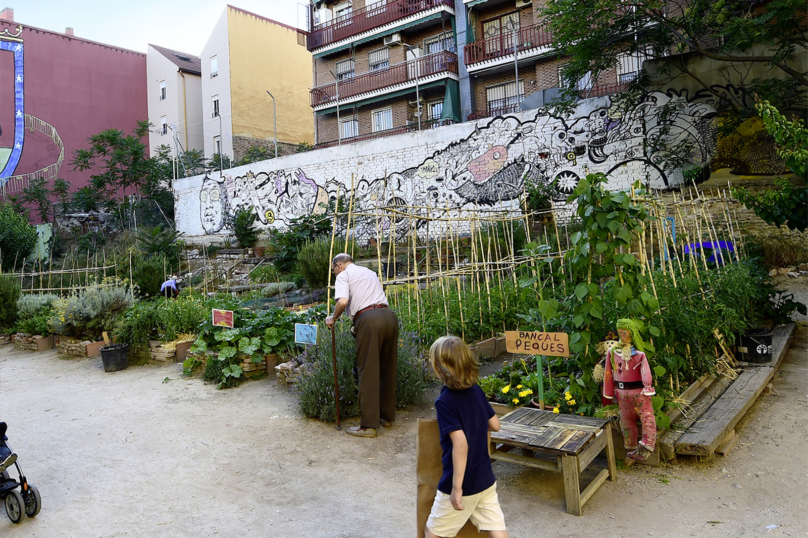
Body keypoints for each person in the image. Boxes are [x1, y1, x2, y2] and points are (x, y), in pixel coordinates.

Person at [426, 336, 509, 538]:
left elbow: (460, 444)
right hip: (485, 479)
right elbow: (495, 425)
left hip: (463, 484)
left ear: (439, 368)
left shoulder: (444, 401)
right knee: (497, 530)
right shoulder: (476, 390)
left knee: (432, 532)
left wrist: (456, 488)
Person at [325, 253, 398, 439]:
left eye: (334, 271)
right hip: (389, 317)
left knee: (367, 371)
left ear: (339, 265)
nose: (335, 275)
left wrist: (333, 318)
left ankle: (368, 426)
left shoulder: (344, 275)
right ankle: (387, 418)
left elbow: (342, 301)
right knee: (387, 368)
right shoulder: (368, 272)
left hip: (369, 320)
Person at [602, 318, 657, 463]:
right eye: (620, 333)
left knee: (647, 419)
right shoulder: (613, 353)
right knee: (626, 421)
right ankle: (630, 450)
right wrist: (609, 392)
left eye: (625, 332)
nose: (623, 335)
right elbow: (608, 373)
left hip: (639, 393)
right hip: (622, 394)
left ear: (632, 333)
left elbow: (646, 372)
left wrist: (647, 386)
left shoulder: (639, 355)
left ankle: (646, 449)